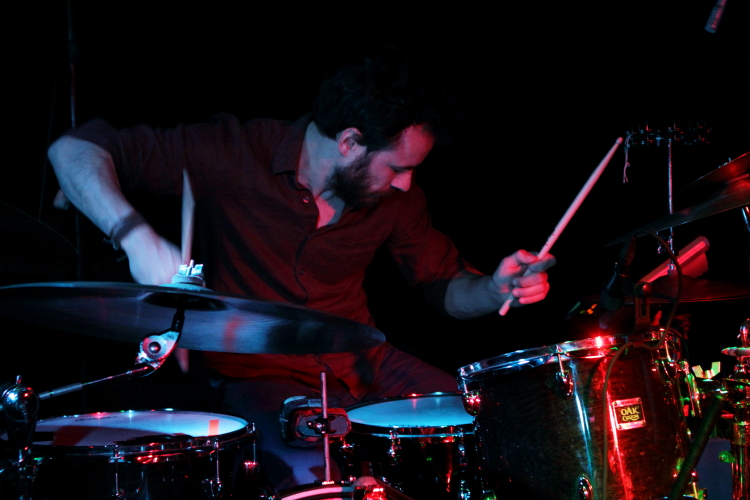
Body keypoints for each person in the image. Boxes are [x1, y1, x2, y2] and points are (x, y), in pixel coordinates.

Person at [48, 56, 555, 491]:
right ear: (350, 142)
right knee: (314, 480)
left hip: (366, 363)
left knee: (494, 431)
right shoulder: (234, 151)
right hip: (261, 375)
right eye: (398, 168)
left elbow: (444, 285)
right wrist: (135, 237)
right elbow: (72, 151)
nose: (405, 184)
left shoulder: (396, 201)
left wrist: (495, 288)